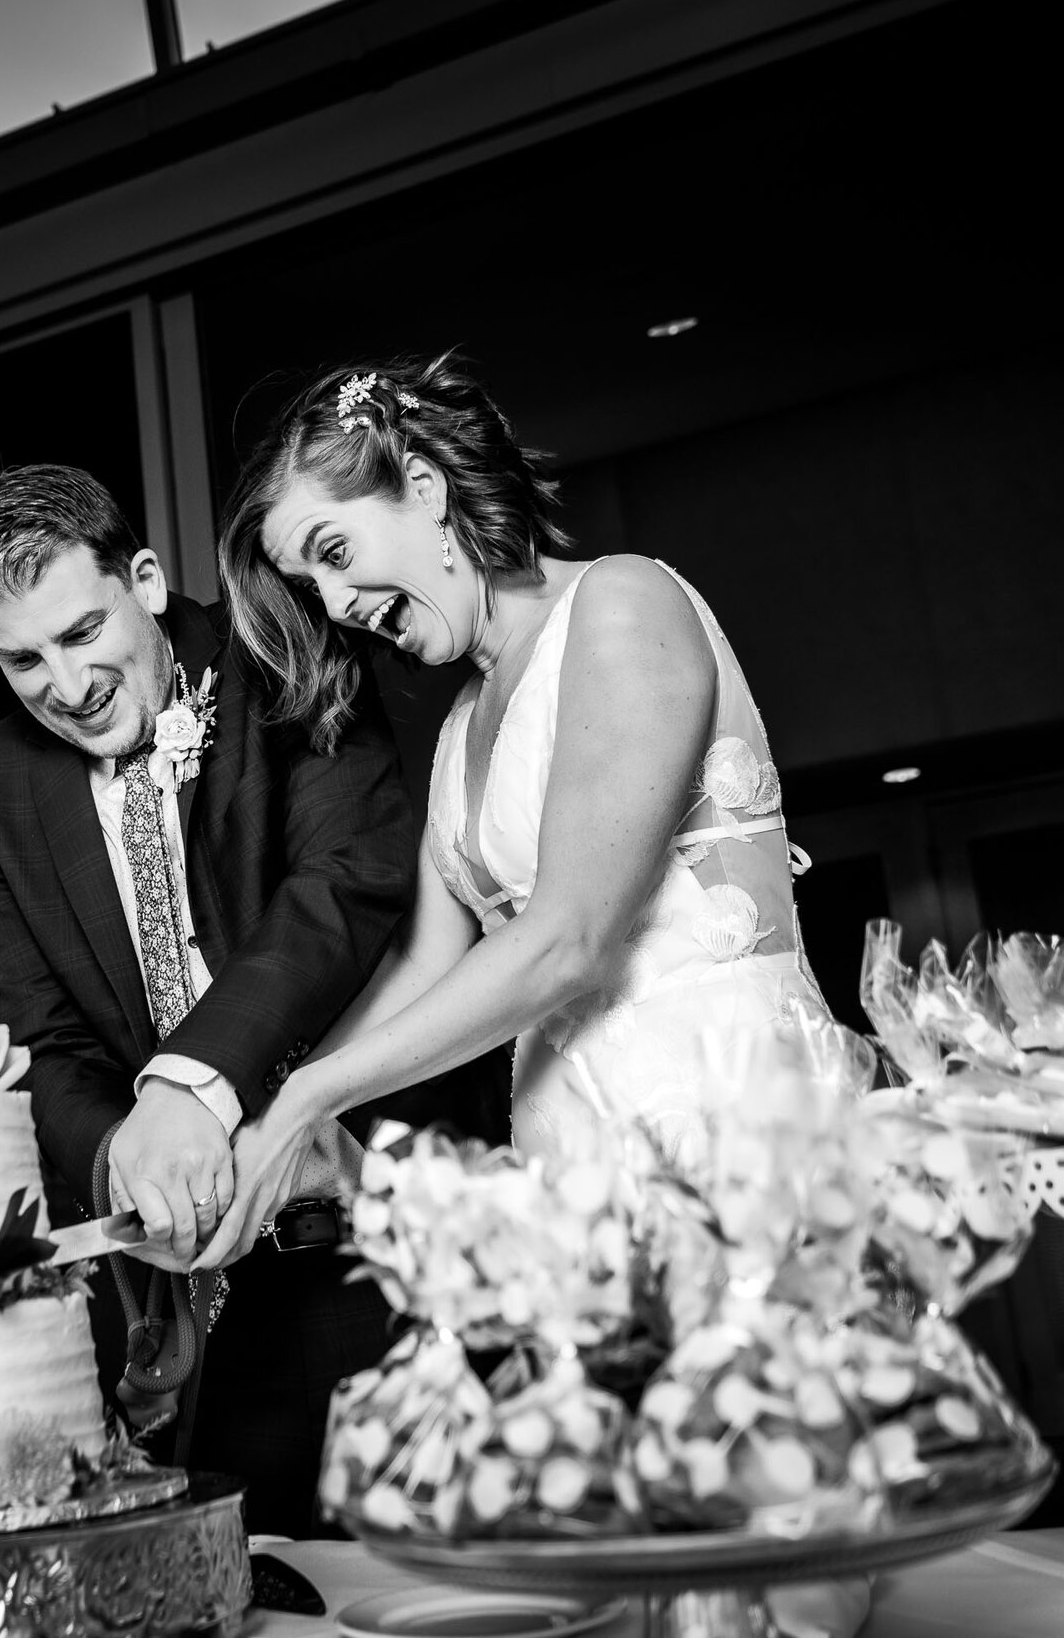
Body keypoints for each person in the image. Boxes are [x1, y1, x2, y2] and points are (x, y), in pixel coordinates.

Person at [198, 352, 828, 1266]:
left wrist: (311, 1096)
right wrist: (280, 1115)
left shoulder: (621, 601)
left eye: (335, 553)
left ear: (424, 489)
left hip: (733, 1138)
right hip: (575, 1183)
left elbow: (570, 938)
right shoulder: (459, 731)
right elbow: (424, 961)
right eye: (310, 589)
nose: (335, 606)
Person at [0, 463, 425, 1538]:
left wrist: (187, 1088)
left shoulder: (281, 649)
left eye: (79, 632)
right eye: (20, 659)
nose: (63, 684)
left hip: (375, 1249)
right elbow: (44, 1035)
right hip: (190, 1313)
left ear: (145, 580)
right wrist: (122, 1157)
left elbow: (345, 881)